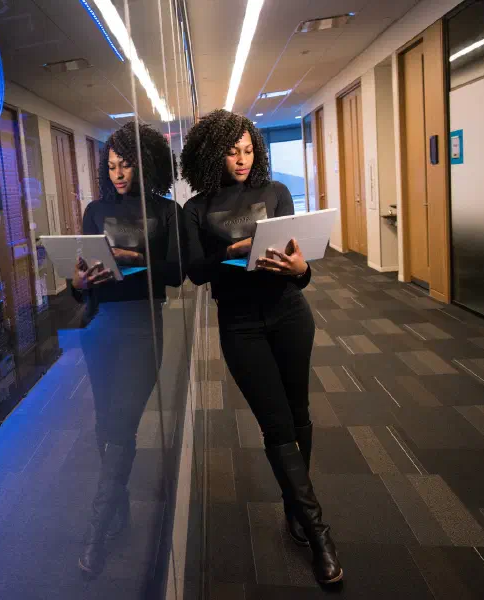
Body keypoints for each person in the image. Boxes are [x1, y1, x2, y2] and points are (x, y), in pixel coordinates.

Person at [180, 109, 343, 585]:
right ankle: (319, 535)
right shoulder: (197, 208)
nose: (242, 159)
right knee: (276, 426)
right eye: (232, 151)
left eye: (249, 150)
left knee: (299, 415)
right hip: (239, 324)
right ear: (213, 153)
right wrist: (229, 253)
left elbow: (300, 264)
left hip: (290, 313)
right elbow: (194, 270)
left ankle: (295, 507)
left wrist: (301, 270)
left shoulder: (276, 193)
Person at [71, 121, 183, 576]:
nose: (119, 174)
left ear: (145, 162)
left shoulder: (165, 211)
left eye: (127, 164)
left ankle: (97, 531)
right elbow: (81, 287)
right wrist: (79, 283)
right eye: (112, 166)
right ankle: (119, 512)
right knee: (106, 424)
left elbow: (177, 274)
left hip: (143, 328)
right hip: (101, 327)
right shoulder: (95, 210)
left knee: (119, 424)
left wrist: (136, 259)